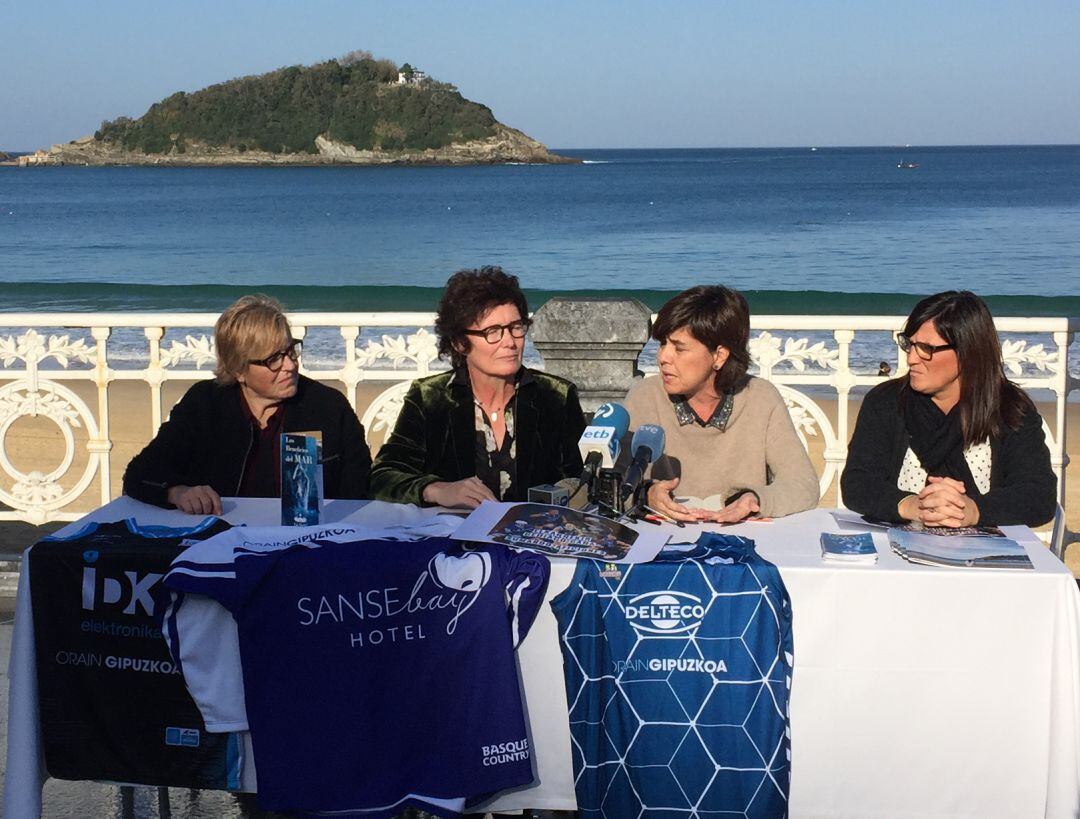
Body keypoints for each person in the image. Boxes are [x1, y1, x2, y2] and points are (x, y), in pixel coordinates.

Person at [123, 295, 371, 514]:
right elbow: (140, 474)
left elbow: (361, 491)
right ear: (238, 370)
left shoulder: (328, 406)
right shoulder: (205, 404)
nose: (290, 365)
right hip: (220, 541)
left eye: (291, 351)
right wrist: (177, 492)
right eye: (274, 359)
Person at [370, 266, 586, 508]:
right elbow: (382, 476)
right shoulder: (431, 398)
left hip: (534, 536)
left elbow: (582, 478)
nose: (509, 342)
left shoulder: (556, 396)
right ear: (460, 343)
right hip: (453, 536)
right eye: (492, 332)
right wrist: (437, 490)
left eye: (516, 328)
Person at [841, 290, 1056, 527]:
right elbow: (857, 483)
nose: (911, 358)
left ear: (967, 352)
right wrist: (914, 505)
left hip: (987, 554)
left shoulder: (1009, 408)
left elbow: (1039, 496)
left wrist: (972, 510)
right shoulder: (886, 402)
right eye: (909, 344)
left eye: (926, 348)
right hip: (896, 550)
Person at [624, 285, 819, 523]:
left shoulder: (760, 398)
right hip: (660, 544)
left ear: (719, 356)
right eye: (663, 343)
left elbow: (803, 485)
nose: (663, 357)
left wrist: (755, 499)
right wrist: (646, 495)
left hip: (740, 544)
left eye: (679, 348)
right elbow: (613, 483)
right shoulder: (645, 396)